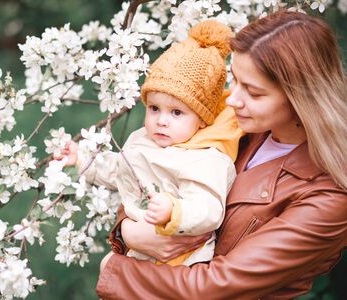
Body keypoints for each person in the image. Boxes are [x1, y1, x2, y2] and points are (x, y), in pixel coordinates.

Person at [96, 11, 347, 299]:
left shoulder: (329, 196)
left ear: (301, 96)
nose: (233, 99)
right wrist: (128, 231)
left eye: (253, 92)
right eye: (235, 79)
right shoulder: (232, 122)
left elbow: (216, 287)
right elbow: (151, 168)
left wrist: (114, 271)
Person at [56, 20, 243, 266]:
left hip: (181, 258)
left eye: (176, 113)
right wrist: (82, 160)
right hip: (140, 250)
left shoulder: (205, 157)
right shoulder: (143, 140)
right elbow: (121, 171)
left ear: (201, 119)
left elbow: (207, 207)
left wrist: (174, 211)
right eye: (154, 108)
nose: (162, 121)